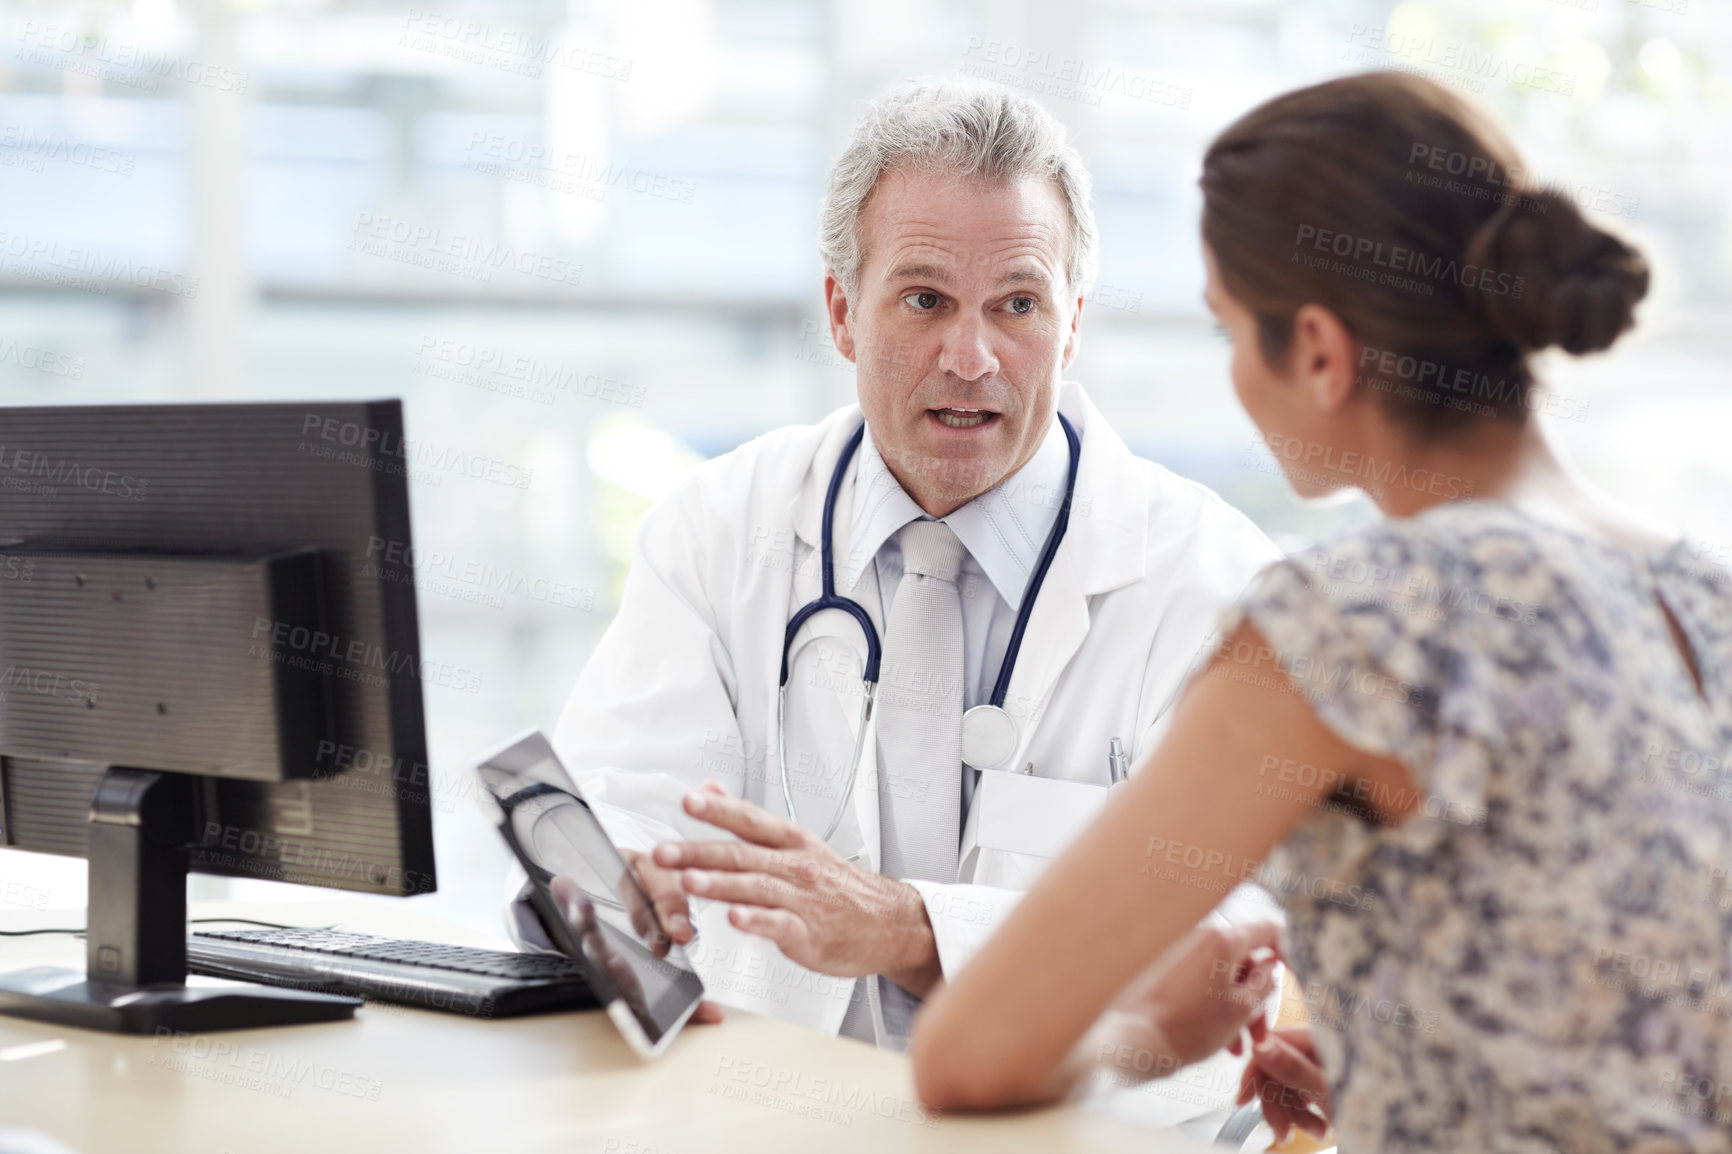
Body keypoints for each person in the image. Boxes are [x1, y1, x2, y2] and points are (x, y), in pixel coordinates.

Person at [910, 70, 1732, 1154]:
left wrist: (1158, 1026)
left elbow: (969, 1055)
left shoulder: (1357, 621)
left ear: (1318, 351)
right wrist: (1417, 1059)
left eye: (1226, 332)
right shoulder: (1698, 598)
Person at [507, 78, 1283, 1076]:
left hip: (1084, 1131)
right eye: (925, 300)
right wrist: (624, 885)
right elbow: (623, 802)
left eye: (1017, 305)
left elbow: (1237, 937)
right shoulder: (718, 527)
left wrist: (915, 928)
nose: (971, 356)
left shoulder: (1218, 584)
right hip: (765, 1110)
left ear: (1072, 321)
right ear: (841, 310)